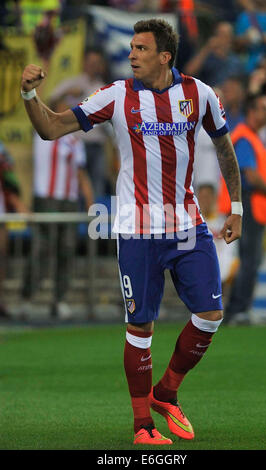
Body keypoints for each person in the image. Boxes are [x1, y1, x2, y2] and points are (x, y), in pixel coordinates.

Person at [21, 19, 242, 445]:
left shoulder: (201, 95)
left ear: (164, 56)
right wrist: (29, 93)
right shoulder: (117, 95)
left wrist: (236, 207)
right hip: (137, 229)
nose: (131, 55)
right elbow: (50, 128)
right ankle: (143, 426)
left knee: (211, 315)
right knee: (141, 328)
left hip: (187, 224)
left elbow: (224, 147)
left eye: (141, 48)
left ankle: (167, 392)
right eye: (131, 47)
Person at [21, 98, 93, 319]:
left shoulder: (75, 142)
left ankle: (59, 299)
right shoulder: (41, 134)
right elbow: (34, 107)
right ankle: (28, 297)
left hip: (68, 201)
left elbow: (81, 175)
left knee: (66, 250)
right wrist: (31, 89)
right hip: (46, 198)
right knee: (42, 249)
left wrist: (90, 202)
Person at [219, 94, 266, 325]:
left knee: (250, 260)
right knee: (250, 260)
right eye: (264, 108)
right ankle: (238, 310)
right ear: (252, 111)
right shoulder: (245, 138)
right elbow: (251, 176)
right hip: (249, 204)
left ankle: (239, 308)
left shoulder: (254, 137)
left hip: (254, 205)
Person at [50, 49, 113, 200]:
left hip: (97, 144)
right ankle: (78, 221)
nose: (93, 66)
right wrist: (67, 94)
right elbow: (51, 102)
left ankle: (94, 220)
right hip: (77, 143)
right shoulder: (72, 83)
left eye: (96, 63)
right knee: (75, 185)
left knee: (97, 183)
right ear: (84, 63)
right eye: (90, 62)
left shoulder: (105, 87)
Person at [0, 140, 28, 319]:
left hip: (0, 214)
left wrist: (15, 202)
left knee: (1, 257)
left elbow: (9, 179)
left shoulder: (1, 149)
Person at [184, 21, 245, 87]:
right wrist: (207, 48)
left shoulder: (236, 62)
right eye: (220, 35)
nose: (223, 39)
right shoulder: (205, 56)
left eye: (226, 36)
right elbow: (188, 72)